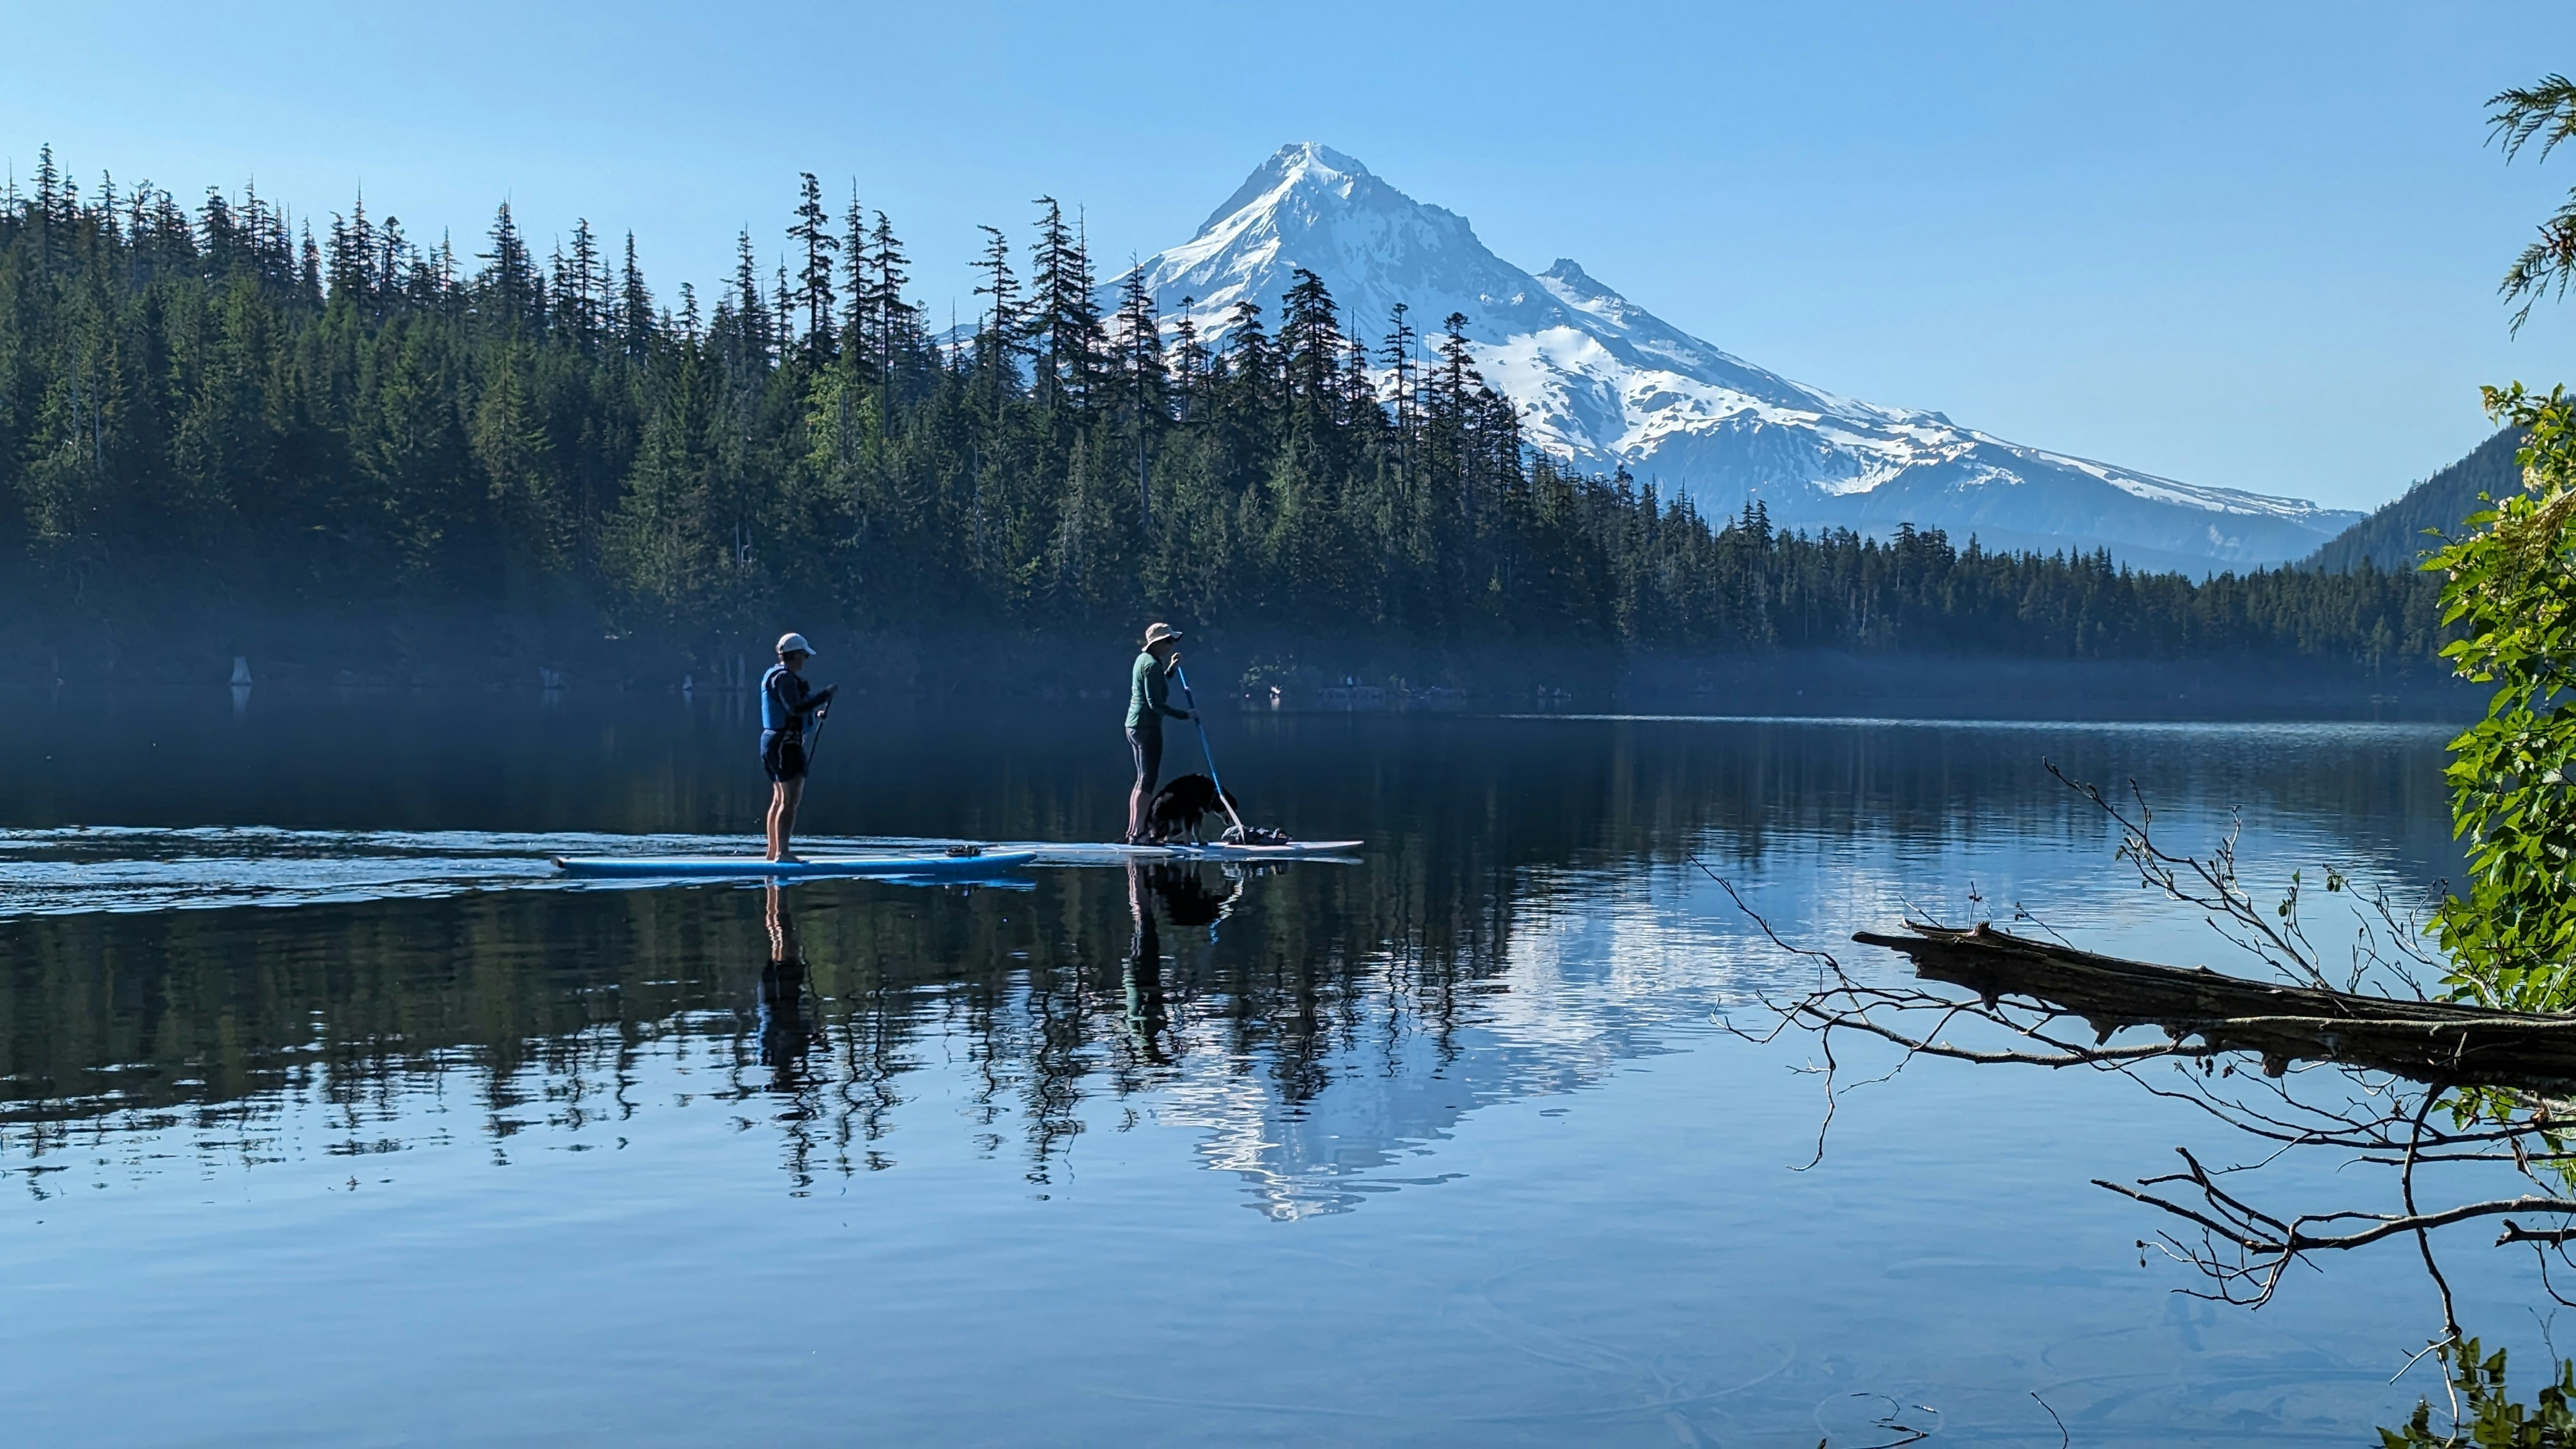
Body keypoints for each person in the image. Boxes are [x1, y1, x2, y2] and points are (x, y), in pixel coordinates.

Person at [760, 632, 837, 862]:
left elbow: (794, 708)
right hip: (786, 745)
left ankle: (773, 853)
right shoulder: (785, 679)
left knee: (779, 799)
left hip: (774, 743)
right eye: (804, 655)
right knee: (789, 801)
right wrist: (824, 695)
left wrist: (815, 713)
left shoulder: (776, 675)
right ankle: (783, 854)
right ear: (796, 655)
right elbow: (794, 707)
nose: (805, 660)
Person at [1124, 622, 1193, 844]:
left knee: (1142, 779)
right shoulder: (1152, 665)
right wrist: (1185, 715)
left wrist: (1171, 669)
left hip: (1134, 725)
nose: (1171, 645)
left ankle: (1134, 831)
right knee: (1148, 779)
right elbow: (1156, 704)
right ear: (1157, 643)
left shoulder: (1143, 660)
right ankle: (1141, 833)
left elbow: (1157, 686)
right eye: (1168, 641)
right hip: (1147, 727)